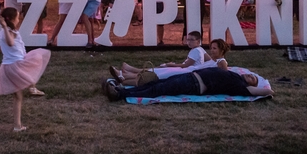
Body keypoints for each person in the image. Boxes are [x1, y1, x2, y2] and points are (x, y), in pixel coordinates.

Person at [0, 7, 51, 132]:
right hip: (15, 65)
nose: (19, 19)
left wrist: (5, 48)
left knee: (18, 97)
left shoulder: (4, 32)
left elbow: (1, 48)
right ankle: (32, 87)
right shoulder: (9, 31)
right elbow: (10, 43)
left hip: (7, 67)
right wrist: (4, 27)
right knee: (38, 58)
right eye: (18, 17)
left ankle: (17, 126)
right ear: (12, 20)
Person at [111, 34, 225, 86]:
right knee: (157, 72)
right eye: (211, 48)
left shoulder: (220, 62)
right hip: (188, 71)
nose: (212, 51)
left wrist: (172, 65)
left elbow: (225, 74)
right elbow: (208, 60)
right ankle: (123, 75)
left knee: (158, 73)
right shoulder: (211, 57)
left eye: (215, 49)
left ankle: (124, 76)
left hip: (187, 72)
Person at [102, 67, 273, 101]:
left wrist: (267, 89)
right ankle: (121, 89)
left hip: (194, 85)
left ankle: (119, 95)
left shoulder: (240, 87)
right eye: (251, 75)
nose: (251, 76)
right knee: (155, 84)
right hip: (191, 77)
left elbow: (264, 91)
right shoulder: (236, 75)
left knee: (157, 90)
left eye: (253, 78)